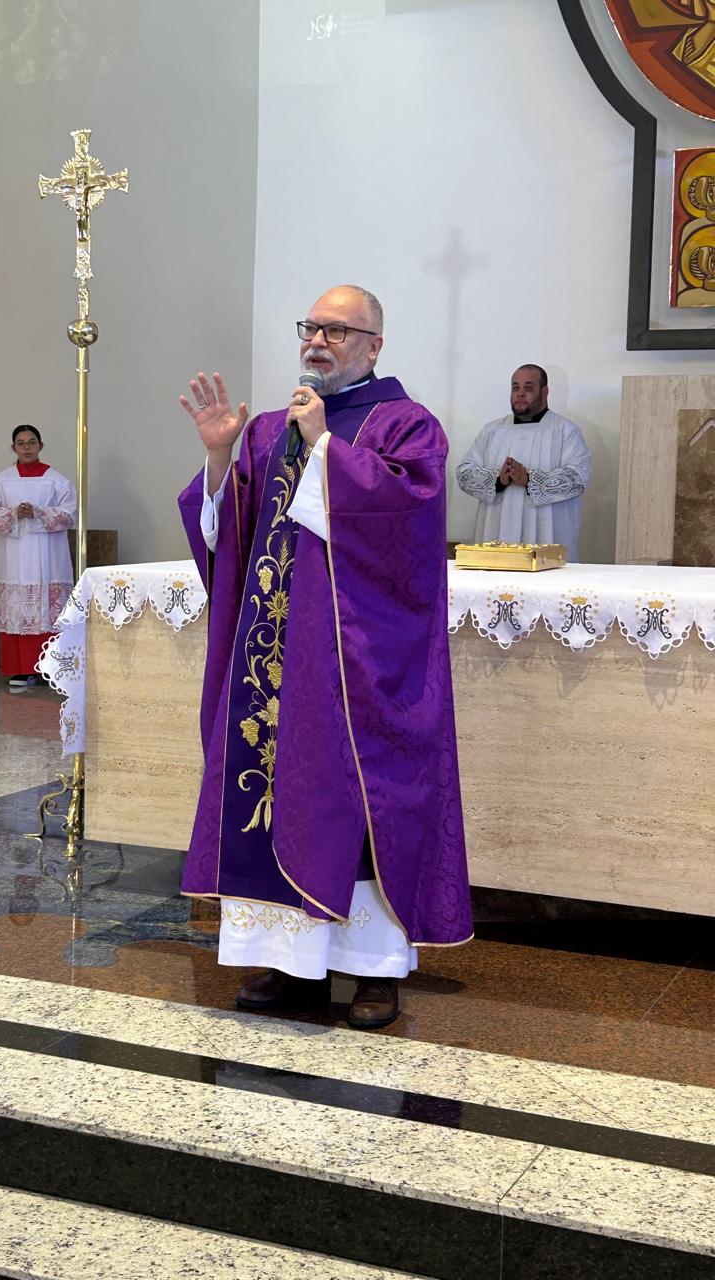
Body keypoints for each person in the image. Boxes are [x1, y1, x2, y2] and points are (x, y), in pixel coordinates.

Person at [177, 285, 472, 1031]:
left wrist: (324, 451)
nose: (318, 340)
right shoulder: (267, 427)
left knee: (357, 800)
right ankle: (290, 963)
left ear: (375, 345)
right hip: (275, 659)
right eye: (312, 327)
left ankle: (372, 970)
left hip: (355, 663)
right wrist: (219, 457)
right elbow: (232, 537)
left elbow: (407, 530)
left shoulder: (406, 425)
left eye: (338, 330)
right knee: (277, 792)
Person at [456, 365, 592, 562]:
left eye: (528, 388)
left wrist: (530, 479)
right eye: (515, 388)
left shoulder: (565, 431)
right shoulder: (492, 431)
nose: (520, 394)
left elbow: (579, 478)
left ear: (544, 392)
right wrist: (497, 480)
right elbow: (464, 473)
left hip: (547, 540)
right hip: (496, 537)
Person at [0, 424, 76, 691]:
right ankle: (21, 669)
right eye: (21, 443)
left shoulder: (57, 480)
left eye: (32, 442)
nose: (26, 448)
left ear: (40, 446)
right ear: (14, 448)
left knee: (47, 609)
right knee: (18, 610)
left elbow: (69, 514)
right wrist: (13, 513)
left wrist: (38, 512)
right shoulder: (1, 480)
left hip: (48, 555)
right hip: (13, 555)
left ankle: (52, 668)